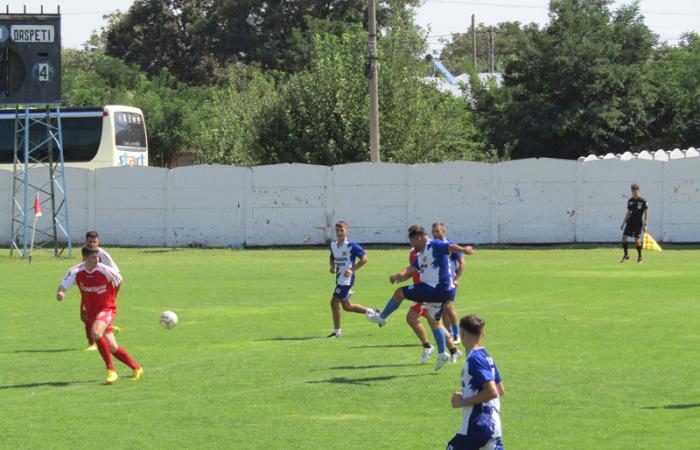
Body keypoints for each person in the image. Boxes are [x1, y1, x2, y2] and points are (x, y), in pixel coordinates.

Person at [368, 224, 474, 370]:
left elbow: (449, 247)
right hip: (439, 292)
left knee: (400, 293)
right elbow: (411, 269)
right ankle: (442, 354)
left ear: (418, 239)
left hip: (435, 288)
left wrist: (464, 250)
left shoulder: (433, 245)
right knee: (435, 323)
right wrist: (398, 276)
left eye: (412, 242)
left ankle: (382, 317)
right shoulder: (422, 254)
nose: (411, 246)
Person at [57, 246, 142, 384]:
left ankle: (111, 370)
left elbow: (119, 280)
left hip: (107, 308)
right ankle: (136, 367)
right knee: (113, 347)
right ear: (85, 258)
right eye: (93, 257)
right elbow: (63, 284)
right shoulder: (76, 271)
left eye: (97, 257)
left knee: (96, 333)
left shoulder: (105, 270)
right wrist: (61, 292)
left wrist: (112, 298)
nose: (97, 260)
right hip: (92, 312)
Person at [447, 314, 505, 450]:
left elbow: (492, 392)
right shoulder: (486, 357)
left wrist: (463, 401)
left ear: (461, 333)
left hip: (477, 425)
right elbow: (500, 389)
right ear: (482, 334)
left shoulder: (475, 359)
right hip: (493, 427)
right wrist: (467, 393)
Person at [405, 246, 462, 364]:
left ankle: (429, 346)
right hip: (421, 291)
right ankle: (453, 350)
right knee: (436, 324)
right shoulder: (414, 253)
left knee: (412, 318)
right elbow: (412, 270)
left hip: (427, 293)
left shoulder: (431, 253)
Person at [327, 221, 374, 338]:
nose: (339, 233)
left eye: (341, 230)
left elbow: (364, 259)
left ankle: (337, 332)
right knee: (347, 307)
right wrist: (332, 267)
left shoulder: (351, 245)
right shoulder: (333, 245)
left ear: (346, 231)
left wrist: (352, 269)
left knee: (334, 302)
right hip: (339, 278)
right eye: (337, 231)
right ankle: (372, 312)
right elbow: (332, 257)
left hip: (347, 280)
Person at [82, 231, 121, 351]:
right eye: (89, 241)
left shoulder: (102, 255)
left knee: (89, 315)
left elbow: (116, 273)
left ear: (98, 242)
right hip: (89, 289)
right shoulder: (86, 252)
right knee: (85, 315)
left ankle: (92, 343)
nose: (92, 244)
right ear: (85, 241)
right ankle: (106, 329)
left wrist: (113, 296)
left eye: (94, 242)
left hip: (103, 291)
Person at [432, 222, 466, 344]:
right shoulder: (432, 245)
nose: (435, 233)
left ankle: (457, 334)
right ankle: (449, 334)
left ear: (443, 231)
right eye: (433, 231)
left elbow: (462, 263)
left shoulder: (451, 245)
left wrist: (457, 278)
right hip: (437, 282)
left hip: (450, 282)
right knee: (442, 309)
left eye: (437, 231)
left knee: (448, 306)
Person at [620, 183, 649, 263]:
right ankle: (626, 255)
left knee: (637, 240)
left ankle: (640, 257)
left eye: (636, 190)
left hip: (638, 223)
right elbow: (628, 212)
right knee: (624, 238)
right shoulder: (630, 201)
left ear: (638, 191)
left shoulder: (643, 201)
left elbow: (646, 213)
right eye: (633, 191)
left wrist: (645, 224)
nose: (634, 192)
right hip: (630, 222)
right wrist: (623, 223)